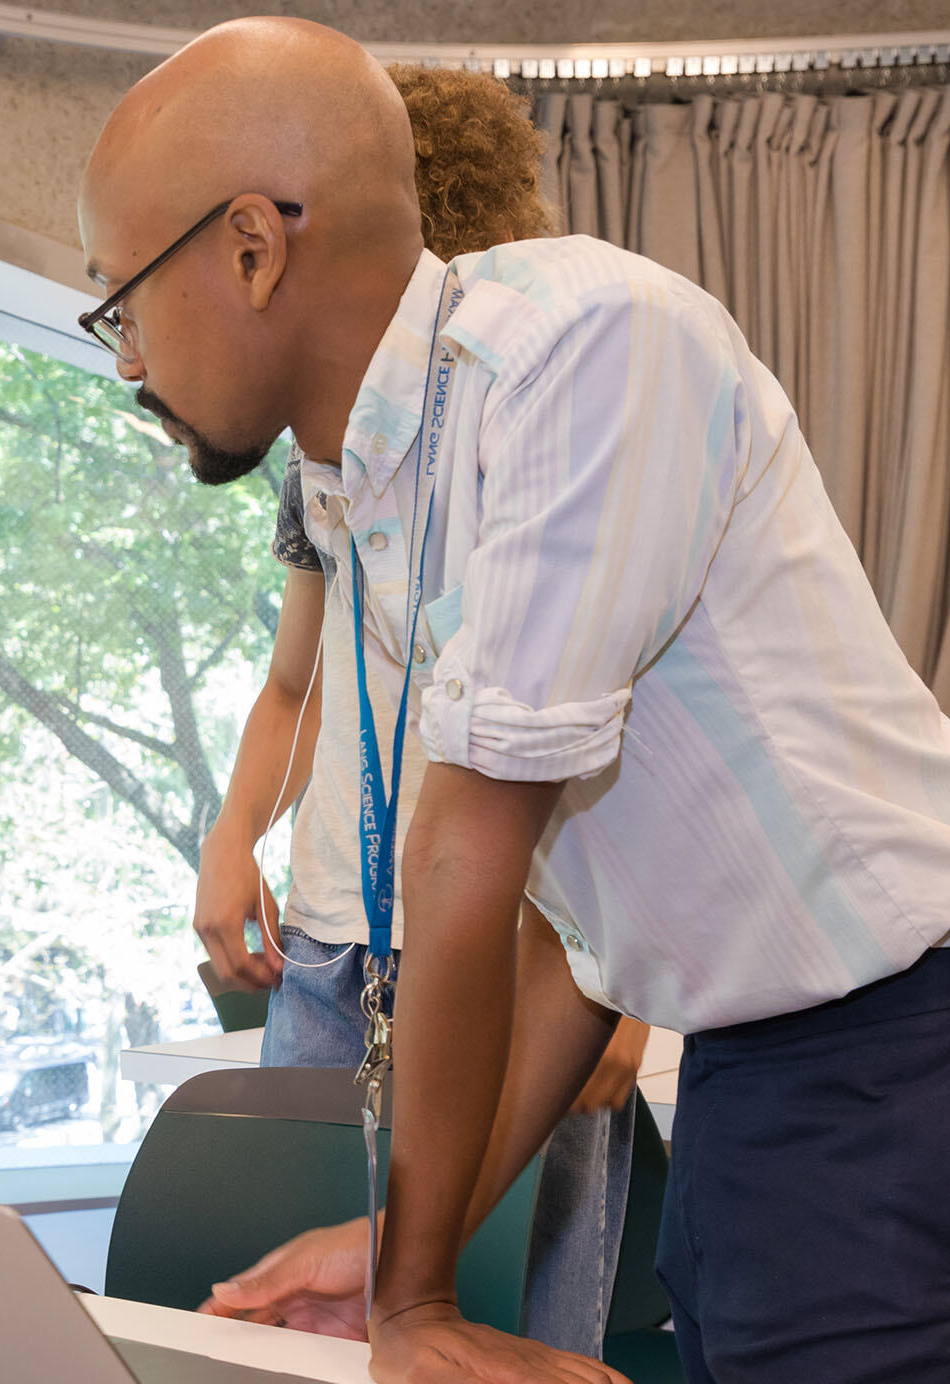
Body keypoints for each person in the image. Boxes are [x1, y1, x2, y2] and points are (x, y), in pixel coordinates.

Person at [80, 18, 950, 1384]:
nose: (127, 363)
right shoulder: (380, 481)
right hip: (766, 1057)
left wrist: (418, 1302)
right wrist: (404, 1247)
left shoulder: (575, 348)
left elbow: (467, 850)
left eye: (123, 302)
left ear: (254, 250)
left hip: (920, 1043)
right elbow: (571, 927)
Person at [187, 62, 644, 1357]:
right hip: (338, 954)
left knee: (513, 1342)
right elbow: (297, 679)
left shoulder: (549, 414)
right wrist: (234, 836)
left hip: (524, 958)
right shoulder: (323, 448)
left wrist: (629, 993)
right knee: (305, 1323)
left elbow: (640, 740)